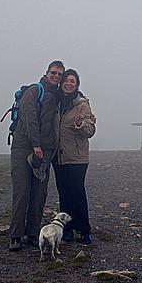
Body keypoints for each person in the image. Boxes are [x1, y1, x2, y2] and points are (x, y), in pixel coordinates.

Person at [8, 60, 65, 252]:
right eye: (53, 72)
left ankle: (32, 234)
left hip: (46, 150)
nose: (56, 76)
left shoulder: (58, 96)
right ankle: (15, 235)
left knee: (39, 194)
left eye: (59, 74)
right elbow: (29, 118)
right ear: (47, 73)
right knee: (22, 191)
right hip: (24, 147)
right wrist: (36, 145)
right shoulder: (34, 91)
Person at [54, 69, 96, 245]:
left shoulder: (82, 104)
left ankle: (84, 230)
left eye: (73, 81)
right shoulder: (56, 103)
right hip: (59, 157)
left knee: (77, 192)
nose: (69, 83)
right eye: (66, 80)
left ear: (77, 84)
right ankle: (68, 229)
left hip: (77, 158)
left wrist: (80, 124)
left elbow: (90, 131)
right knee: (64, 194)